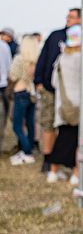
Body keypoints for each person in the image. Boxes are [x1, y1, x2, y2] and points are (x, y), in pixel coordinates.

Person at [48, 25, 83, 185]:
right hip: (82, 107)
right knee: (81, 141)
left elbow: (53, 82)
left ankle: (53, 172)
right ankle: (76, 174)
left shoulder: (61, 58)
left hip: (64, 107)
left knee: (63, 138)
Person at [35, 7, 82, 173]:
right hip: (50, 89)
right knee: (48, 124)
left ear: (80, 19)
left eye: (72, 17)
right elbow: (43, 57)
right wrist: (38, 81)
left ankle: (67, 162)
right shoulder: (56, 35)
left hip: (72, 95)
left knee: (67, 128)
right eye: (67, 16)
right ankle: (48, 160)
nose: (68, 19)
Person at [8, 35, 41, 165]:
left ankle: (26, 151)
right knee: (30, 123)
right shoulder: (37, 60)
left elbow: (13, 75)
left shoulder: (19, 59)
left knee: (17, 125)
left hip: (20, 91)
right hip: (31, 93)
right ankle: (30, 148)